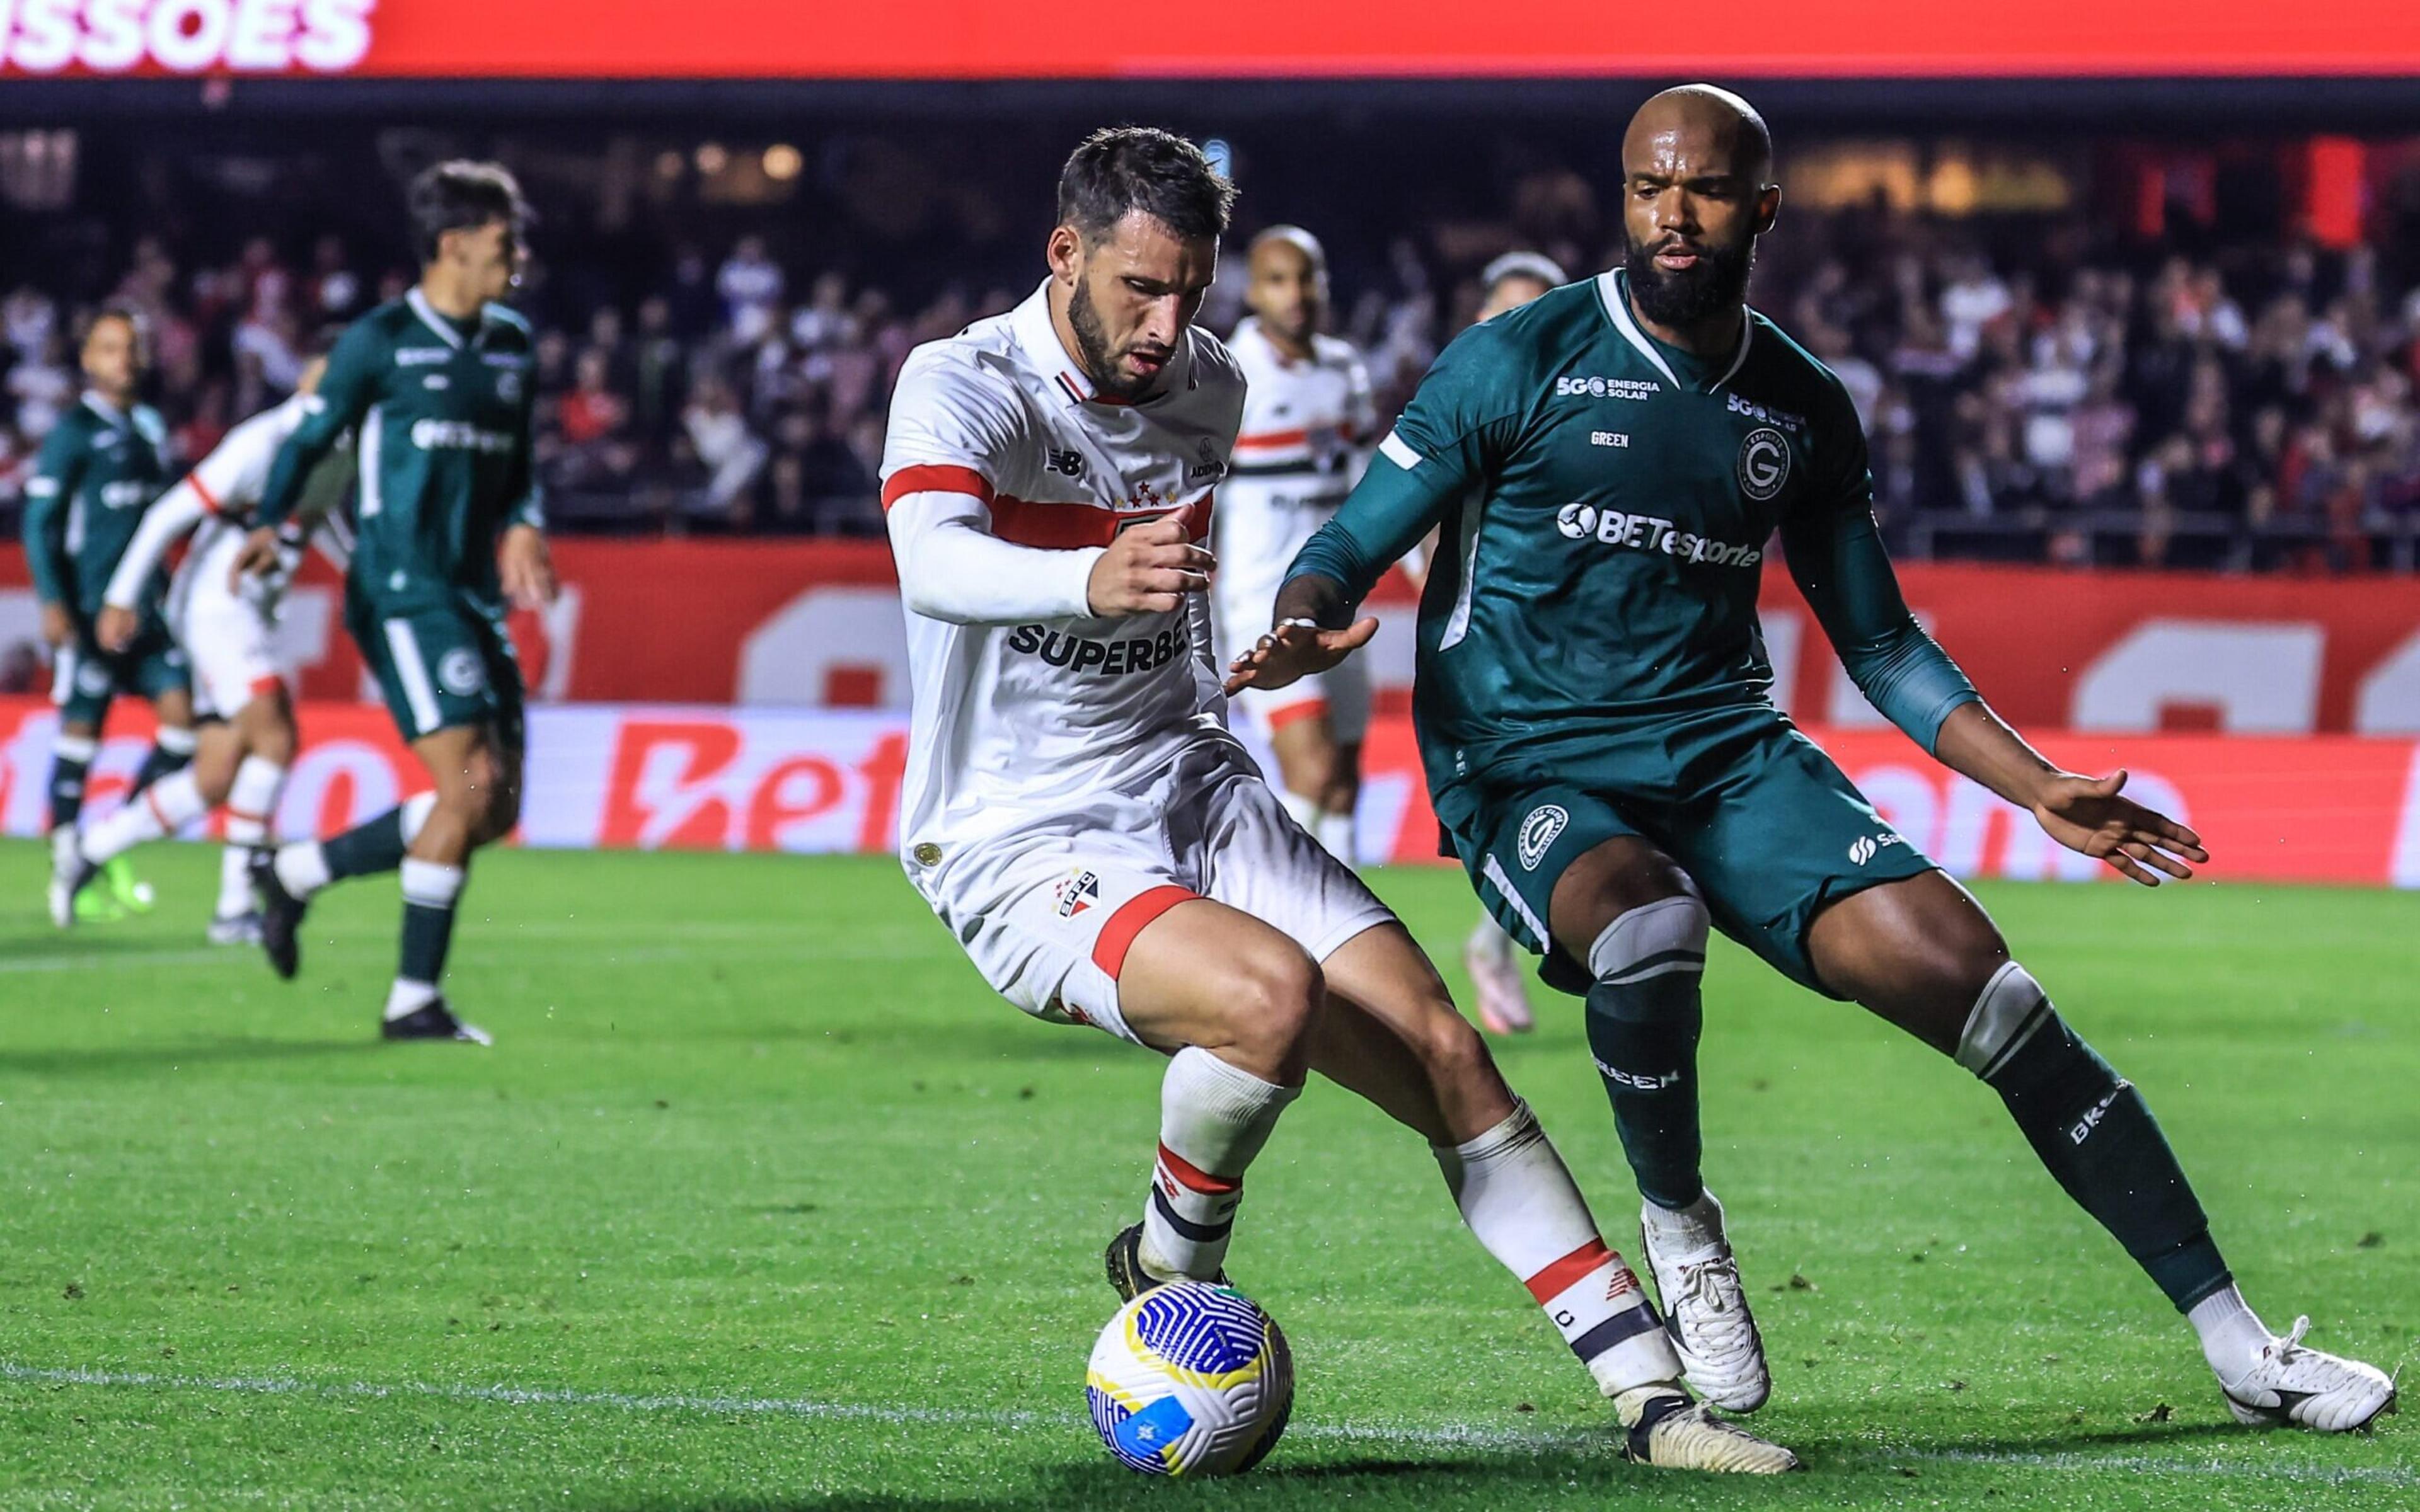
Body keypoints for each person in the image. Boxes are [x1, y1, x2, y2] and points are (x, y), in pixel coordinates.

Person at [1235, 85, 2394, 1433]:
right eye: (1646, 186)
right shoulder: (1514, 361)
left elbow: (1883, 643)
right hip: (1528, 756)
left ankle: (2242, 1347)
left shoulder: (1799, 404)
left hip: (1728, 752)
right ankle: (1682, 1232)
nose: (1672, 214)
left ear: (1762, 209)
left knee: (1992, 996)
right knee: (1649, 924)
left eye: (1707, 190)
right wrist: (1308, 621)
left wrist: (2039, 790)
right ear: (1619, 198)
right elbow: (1348, 542)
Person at [883, 125, 1795, 1473]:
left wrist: (1262, 657)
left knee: (1446, 1048)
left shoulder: (1210, 385)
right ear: (1064, 254)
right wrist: (1086, 581)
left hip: (1192, 779)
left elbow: (1174, 601)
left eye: (1192, 287)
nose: (1170, 321)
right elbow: (930, 558)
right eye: (1140, 287)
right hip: (1024, 832)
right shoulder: (964, 384)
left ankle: (1654, 1402)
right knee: (1266, 1002)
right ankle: (1171, 1270)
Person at [238, 161, 558, 1045]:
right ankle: (412, 1001)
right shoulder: (378, 343)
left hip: (474, 596)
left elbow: (522, 469)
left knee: (493, 810)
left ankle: (298, 870)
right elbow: (309, 441)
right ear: (453, 245)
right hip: (403, 591)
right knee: (469, 784)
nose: (518, 255)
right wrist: (272, 524)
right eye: (503, 241)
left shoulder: (511, 347)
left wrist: (526, 522)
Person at [60, 361, 352, 942]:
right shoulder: (261, 443)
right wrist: (121, 597)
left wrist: (360, 574)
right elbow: (169, 514)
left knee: (216, 773)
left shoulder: (340, 445)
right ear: (306, 384)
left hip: (254, 613)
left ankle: (93, 846)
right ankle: (236, 906)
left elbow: (315, 518)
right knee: (277, 735)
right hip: (214, 609)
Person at [24, 309, 195, 926]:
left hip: (146, 614)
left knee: (183, 726)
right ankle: (69, 868)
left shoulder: (150, 427)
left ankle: (110, 843)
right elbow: (38, 525)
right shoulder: (73, 432)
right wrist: (52, 603)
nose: (123, 359)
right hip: (92, 614)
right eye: (110, 348)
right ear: (89, 360)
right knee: (81, 736)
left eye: (132, 348)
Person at [1214, 227, 1378, 867]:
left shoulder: (1344, 368)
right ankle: (1291, 915)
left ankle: (1347, 947)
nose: (1296, 294)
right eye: (1279, 280)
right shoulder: (1228, 374)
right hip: (1261, 599)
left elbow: (1367, 477)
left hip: (1337, 593)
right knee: (1309, 772)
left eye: (1307, 278)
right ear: (1254, 291)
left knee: (1341, 782)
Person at [1457, 251, 1572, 1037]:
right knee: (1535, 782)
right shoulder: (1465, 400)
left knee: (1560, 784)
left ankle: (1503, 937)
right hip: (1490, 631)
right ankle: (1501, 940)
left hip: (1566, 627)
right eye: (1509, 312)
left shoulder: (1581, 406)